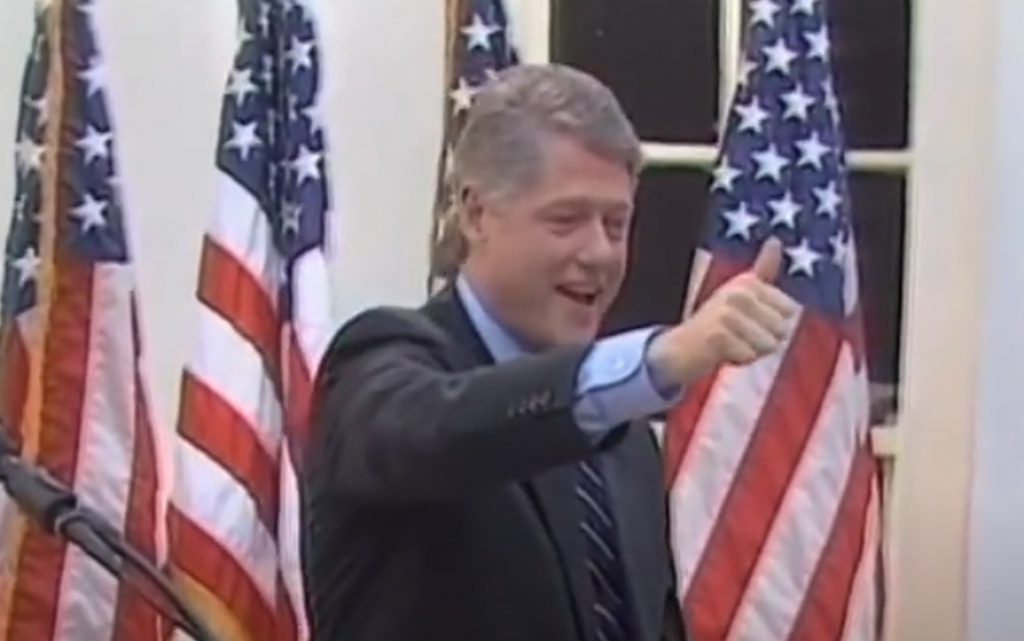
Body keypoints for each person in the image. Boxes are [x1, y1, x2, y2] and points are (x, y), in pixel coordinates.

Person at [301, 63, 796, 641]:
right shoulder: (378, 362)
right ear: (476, 214)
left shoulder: (625, 441)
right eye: (566, 220)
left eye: (616, 224)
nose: (599, 253)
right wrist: (660, 359)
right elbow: (441, 430)